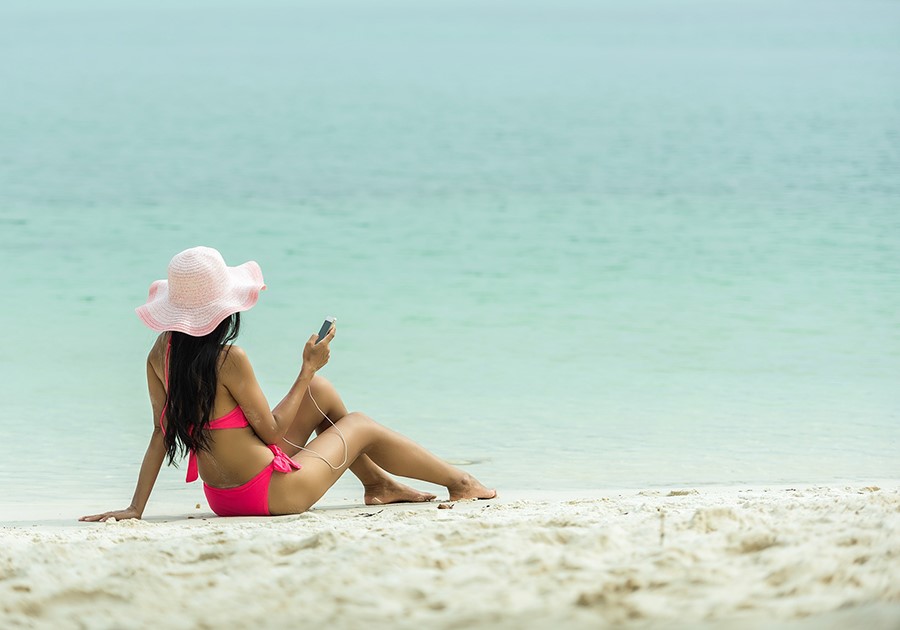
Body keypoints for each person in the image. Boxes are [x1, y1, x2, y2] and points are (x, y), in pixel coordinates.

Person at [80, 246, 495, 521]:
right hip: (270, 495)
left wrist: (137, 508)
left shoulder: (160, 353)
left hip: (222, 498)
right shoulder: (229, 359)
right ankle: (461, 483)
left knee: (321, 394)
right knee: (361, 424)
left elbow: (160, 431)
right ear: (225, 310)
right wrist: (306, 368)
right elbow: (274, 432)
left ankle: (377, 484)